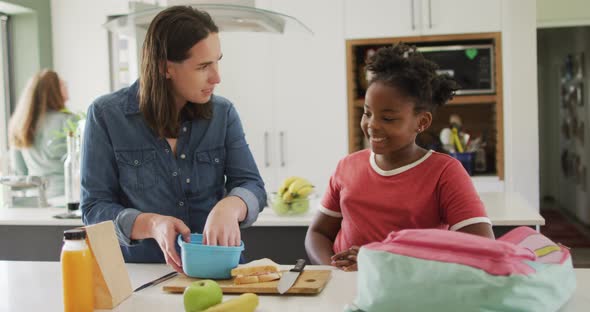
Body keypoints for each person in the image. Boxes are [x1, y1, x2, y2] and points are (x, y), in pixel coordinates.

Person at [80, 6, 266, 272]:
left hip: (220, 271)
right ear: (165, 68)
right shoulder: (105, 115)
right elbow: (93, 209)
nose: (217, 77)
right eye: (203, 66)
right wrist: (152, 224)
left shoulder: (223, 113)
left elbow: (252, 185)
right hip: (142, 276)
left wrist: (231, 205)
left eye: (217, 61)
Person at [305, 44, 495, 272]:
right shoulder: (347, 166)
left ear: (422, 122)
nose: (372, 125)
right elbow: (318, 233)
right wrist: (333, 272)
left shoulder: (444, 172)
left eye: (388, 118)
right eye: (367, 113)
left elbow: (482, 249)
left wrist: (381, 263)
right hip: (345, 291)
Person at [8, 69, 72, 197]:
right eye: (63, 84)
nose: (67, 87)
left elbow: (20, 171)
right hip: (67, 196)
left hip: (37, 198)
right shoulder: (69, 122)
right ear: (54, 90)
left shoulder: (21, 124)